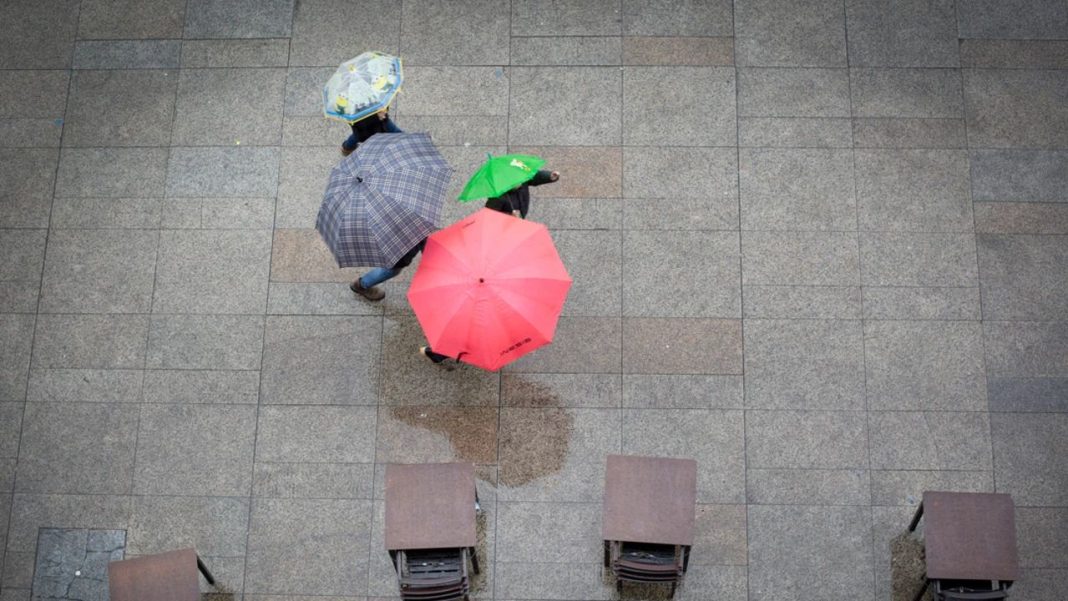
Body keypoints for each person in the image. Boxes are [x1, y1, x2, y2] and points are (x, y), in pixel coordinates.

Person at [350, 239, 424, 301]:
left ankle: (362, 284)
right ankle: (361, 285)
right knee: (391, 270)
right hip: (401, 252)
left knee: (391, 267)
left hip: (397, 242)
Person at [484, 169, 559, 218]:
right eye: (515, 181)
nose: (520, 182)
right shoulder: (497, 197)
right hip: (505, 227)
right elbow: (490, 215)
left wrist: (549, 176)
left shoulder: (522, 181)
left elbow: (534, 176)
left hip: (520, 219)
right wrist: (509, 216)